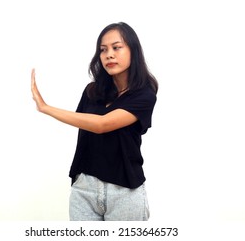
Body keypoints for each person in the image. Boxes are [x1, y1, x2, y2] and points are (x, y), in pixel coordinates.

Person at [31, 22, 158, 221]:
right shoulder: (92, 91)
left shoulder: (144, 95)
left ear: (133, 50)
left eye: (116, 47)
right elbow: (84, 122)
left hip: (124, 193)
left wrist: (46, 108)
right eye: (103, 50)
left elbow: (101, 124)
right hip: (84, 190)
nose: (109, 54)